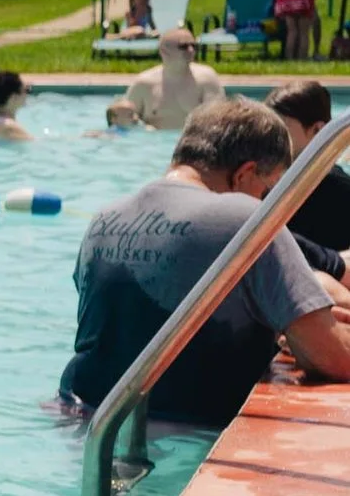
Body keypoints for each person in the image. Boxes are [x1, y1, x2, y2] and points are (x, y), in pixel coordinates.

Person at [59, 101, 350, 425]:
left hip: (82, 418)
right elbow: (335, 358)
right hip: (184, 440)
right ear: (244, 174)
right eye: (269, 191)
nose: (271, 204)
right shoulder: (246, 220)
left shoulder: (104, 220)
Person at [267, 79, 350, 254]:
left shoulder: (339, 191)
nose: (270, 138)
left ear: (318, 130)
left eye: (281, 129)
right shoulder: (269, 183)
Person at [121, 28, 225, 131]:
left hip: (191, 144)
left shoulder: (207, 79)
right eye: (183, 46)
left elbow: (217, 123)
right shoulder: (143, 84)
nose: (191, 50)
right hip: (153, 145)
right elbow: (122, 121)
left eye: (194, 45)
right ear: (164, 51)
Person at [0, 67, 33, 142]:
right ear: (14, 97)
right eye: (27, 90)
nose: (28, 94)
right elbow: (36, 146)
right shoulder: (9, 127)